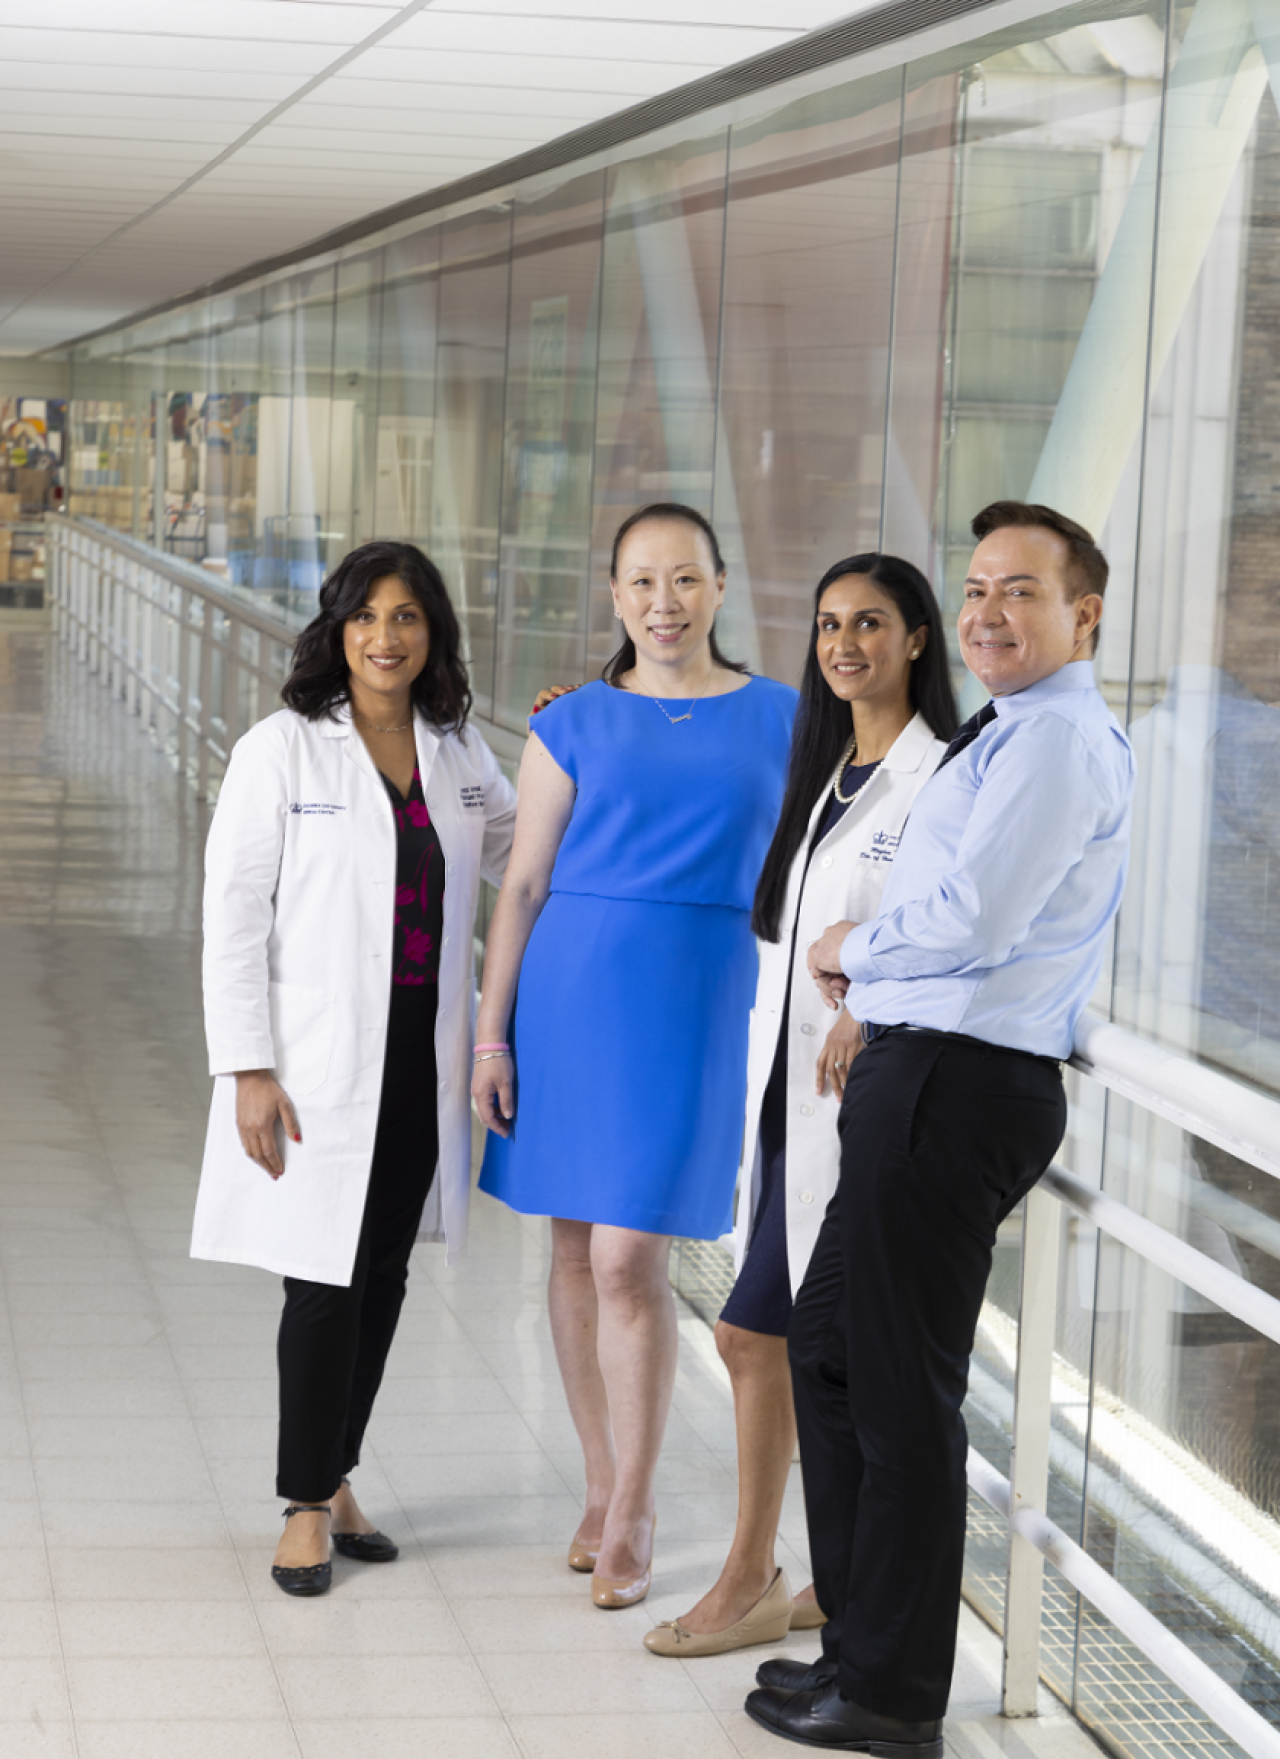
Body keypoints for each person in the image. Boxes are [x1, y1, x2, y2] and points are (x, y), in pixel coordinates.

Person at [745, 501, 1134, 1758]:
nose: (985, 613)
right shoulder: (1008, 734)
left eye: (1019, 592)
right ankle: (859, 1644)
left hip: (959, 1085)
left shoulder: (1055, 745)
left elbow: (971, 920)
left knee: (902, 1391)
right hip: (918, 1071)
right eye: (976, 589)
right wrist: (879, 987)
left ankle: (897, 1693)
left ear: (1081, 614)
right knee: (828, 1344)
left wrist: (855, 949)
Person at [473, 502, 797, 1609]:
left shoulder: (785, 719)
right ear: (614, 597)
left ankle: (639, 1503)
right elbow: (519, 884)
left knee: (627, 1260)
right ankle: (603, 1487)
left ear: (717, 588)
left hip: (693, 996)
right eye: (641, 583)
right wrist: (491, 1032)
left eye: (684, 580)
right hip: (569, 993)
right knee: (572, 1253)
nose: (663, 603)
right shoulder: (571, 723)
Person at [643, 554, 958, 1659]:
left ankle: (757, 1572)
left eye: (870, 624)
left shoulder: (938, 781)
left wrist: (869, 1006)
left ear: (918, 637)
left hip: (853, 1107)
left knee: (751, 1333)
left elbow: (947, 934)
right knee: (779, 1342)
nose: (844, 645)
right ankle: (823, 1576)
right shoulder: (826, 774)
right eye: (828, 624)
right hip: (782, 1106)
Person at [191, 541, 516, 1596]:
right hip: (319, 1059)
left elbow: (527, 853)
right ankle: (300, 1504)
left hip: (421, 1053)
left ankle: (335, 1479)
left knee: (381, 1272)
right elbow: (234, 912)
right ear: (337, 628)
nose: (386, 636)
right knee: (323, 1279)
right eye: (367, 615)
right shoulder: (282, 749)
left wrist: (578, 734)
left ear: (434, 634)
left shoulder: (459, 751)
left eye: (408, 616)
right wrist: (245, 1065)